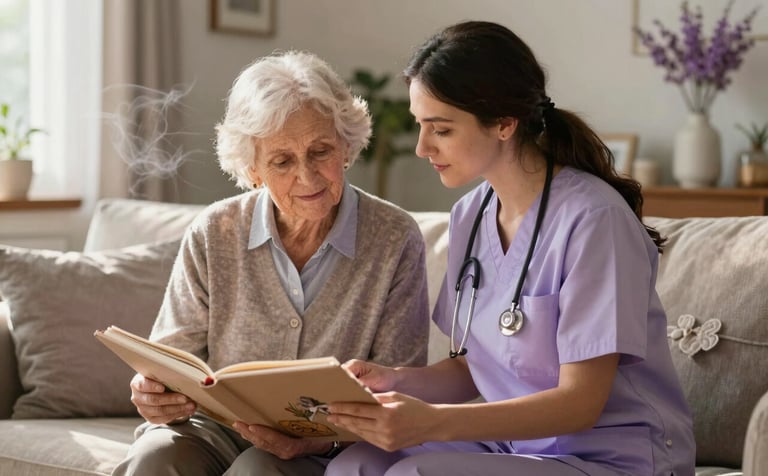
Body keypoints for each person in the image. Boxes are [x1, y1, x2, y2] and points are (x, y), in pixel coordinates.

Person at [324, 21, 695, 476]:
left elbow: (580, 405)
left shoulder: (595, 221)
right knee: (353, 466)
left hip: (611, 457)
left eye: (440, 129)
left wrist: (432, 423)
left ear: (504, 123)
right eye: (421, 126)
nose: (422, 147)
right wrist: (394, 381)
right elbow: (475, 369)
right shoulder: (470, 216)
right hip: (514, 449)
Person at [112, 50, 430, 476]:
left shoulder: (394, 238)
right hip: (216, 429)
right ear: (253, 170)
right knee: (156, 458)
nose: (308, 176)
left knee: (258, 470)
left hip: (332, 444)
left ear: (346, 147)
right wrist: (153, 393)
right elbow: (172, 360)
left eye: (321, 151)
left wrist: (324, 437)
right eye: (282, 161)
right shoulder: (215, 231)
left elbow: (401, 393)